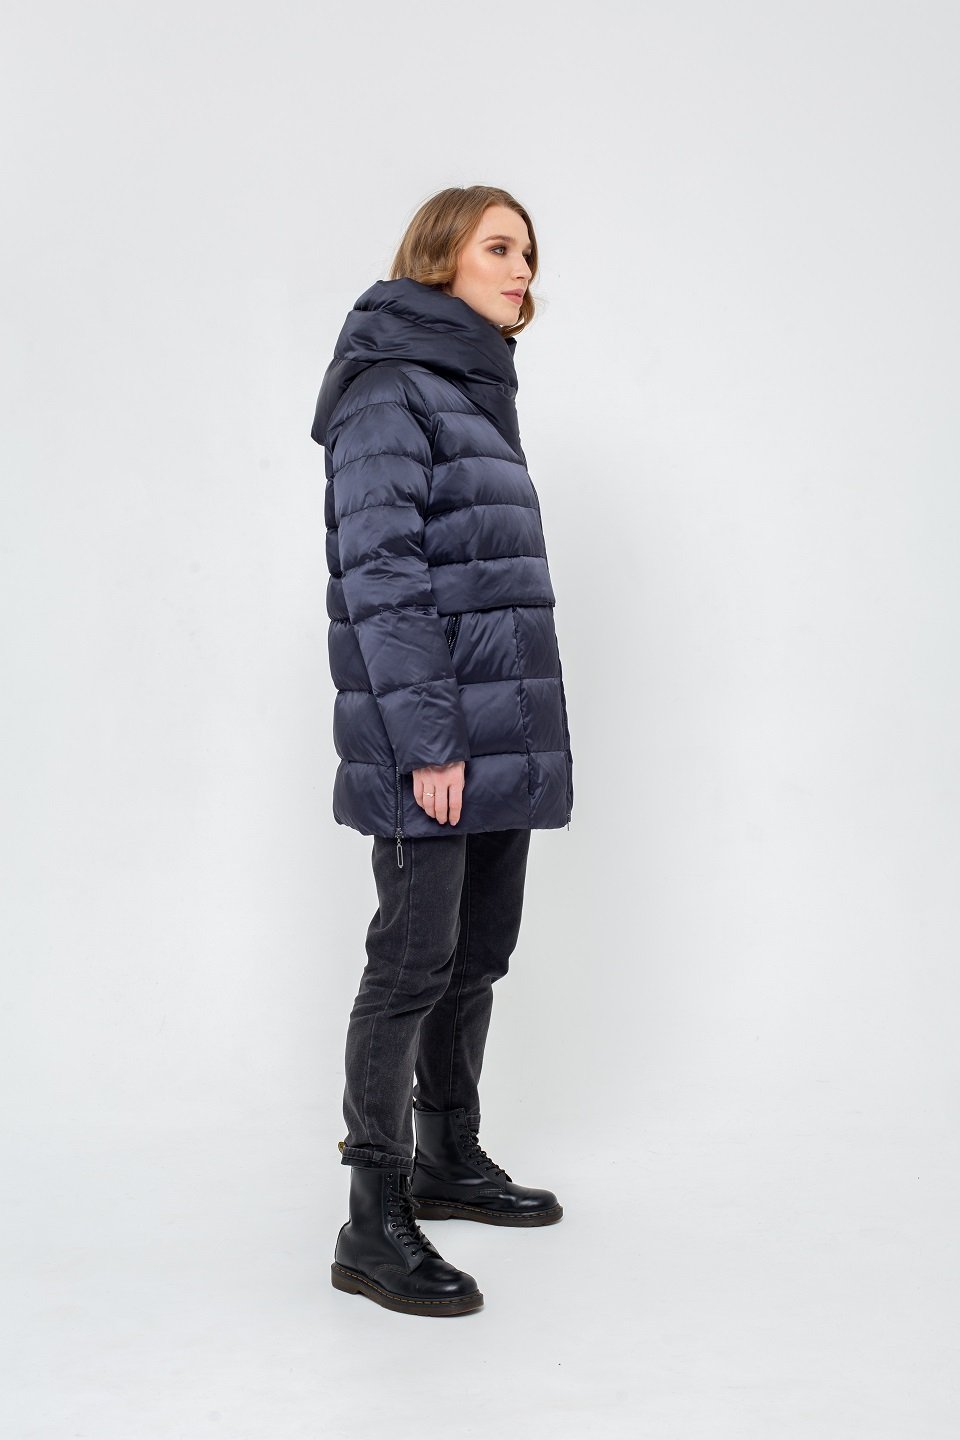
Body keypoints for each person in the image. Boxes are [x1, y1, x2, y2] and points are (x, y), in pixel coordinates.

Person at [309, 185, 574, 1317]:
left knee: (476, 955)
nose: (522, 270)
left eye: (529, 252)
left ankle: (447, 1157)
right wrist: (430, 738)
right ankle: (371, 1221)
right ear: (439, 258)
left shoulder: (471, 386)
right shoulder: (389, 390)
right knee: (412, 963)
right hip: (438, 740)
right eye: (499, 247)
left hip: (499, 731)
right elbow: (385, 577)